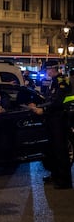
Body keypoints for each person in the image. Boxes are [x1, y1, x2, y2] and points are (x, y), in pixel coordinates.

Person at [29, 60, 72, 189]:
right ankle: (55, 175)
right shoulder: (53, 81)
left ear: (52, 69)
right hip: (52, 120)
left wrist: (43, 110)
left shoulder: (62, 82)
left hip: (59, 120)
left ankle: (64, 181)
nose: (46, 72)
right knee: (52, 150)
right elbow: (49, 99)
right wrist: (37, 105)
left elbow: (57, 102)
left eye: (47, 70)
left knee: (60, 151)